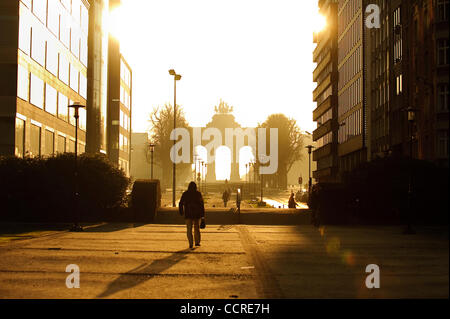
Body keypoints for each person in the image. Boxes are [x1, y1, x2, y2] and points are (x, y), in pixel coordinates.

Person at [179, 182, 205, 250]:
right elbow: (202, 205)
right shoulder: (198, 194)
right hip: (197, 215)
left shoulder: (185, 194)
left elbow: (181, 203)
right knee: (196, 228)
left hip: (188, 214)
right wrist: (202, 216)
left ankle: (190, 243)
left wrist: (181, 211)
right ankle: (197, 242)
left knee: (189, 229)